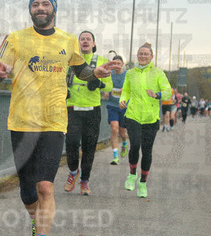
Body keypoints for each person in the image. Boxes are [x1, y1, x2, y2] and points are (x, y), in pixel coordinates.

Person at [0, 0, 120, 236]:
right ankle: (36, 225)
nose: (40, 8)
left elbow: (80, 70)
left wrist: (96, 73)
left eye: (45, 4)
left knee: (45, 186)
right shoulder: (16, 38)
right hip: (21, 122)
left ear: (54, 9)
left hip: (54, 122)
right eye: (35, 4)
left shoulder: (67, 39)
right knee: (28, 192)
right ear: (30, 10)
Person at [119, 43, 172, 198]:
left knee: (147, 151)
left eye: (146, 54)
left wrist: (157, 94)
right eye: (140, 53)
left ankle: (143, 183)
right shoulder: (130, 73)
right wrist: (122, 100)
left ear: (151, 57)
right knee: (135, 145)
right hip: (133, 115)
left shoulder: (158, 72)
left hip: (150, 118)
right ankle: (132, 175)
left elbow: (168, 91)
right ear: (137, 55)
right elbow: (126, 90)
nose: (143, 56)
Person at [63, 31, 113, 195]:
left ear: (93, 43)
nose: (85, 41)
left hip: (92, 110)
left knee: (89, 147)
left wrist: (99, 84)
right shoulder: (70, 60)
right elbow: (59, 80)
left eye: (88, 39)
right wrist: (64, 90)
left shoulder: (102, 61)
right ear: (78, 43)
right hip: (72, 108)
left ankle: (85, 181)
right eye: (82, 39)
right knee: (71, 143)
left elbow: (109, 86)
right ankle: (73, 172)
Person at [105, 54, 129, 165]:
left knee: (122, 132)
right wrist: (106, 91)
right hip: (112, 105)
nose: (117, 66)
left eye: (119, 64)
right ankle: (115, 156)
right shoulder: (109, 75)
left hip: (124, 106)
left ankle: (124, 142)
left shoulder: (127, 75)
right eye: (114, 64)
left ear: (122, 64)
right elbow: (105, 85)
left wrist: (127, 91)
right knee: (114, 129)